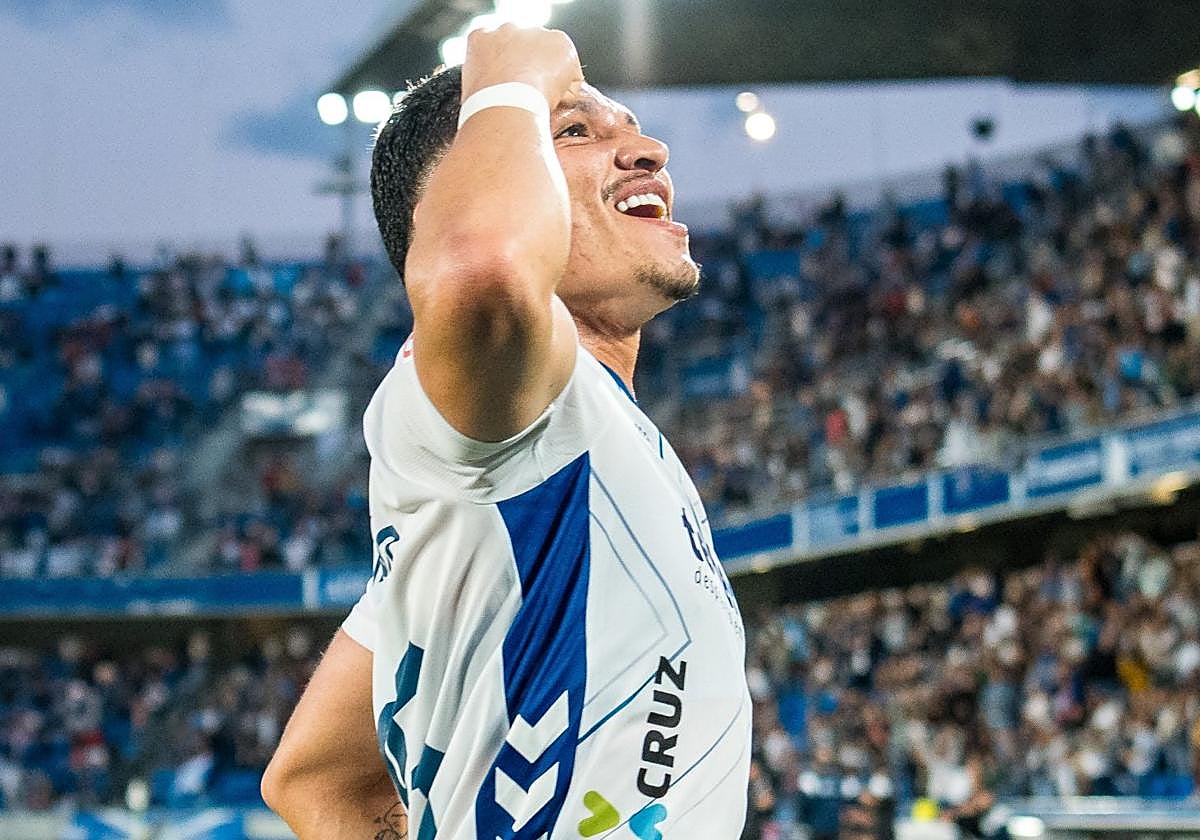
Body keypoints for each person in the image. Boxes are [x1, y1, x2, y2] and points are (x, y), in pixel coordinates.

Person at [262, 24, 751, 840]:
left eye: (631, 127)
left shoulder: (514, 493)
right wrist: (514, 67)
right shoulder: (519, 410)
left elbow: (319, 780)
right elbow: (480, 265)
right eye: (576, 131)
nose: (650, 151)